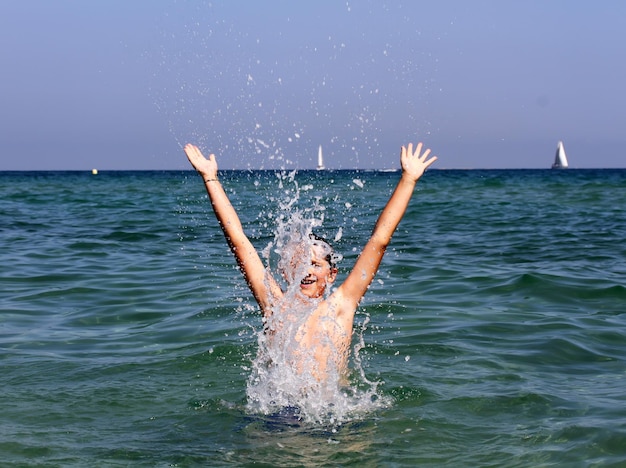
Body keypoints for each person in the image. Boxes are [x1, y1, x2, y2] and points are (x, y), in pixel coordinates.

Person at [184, 142, 437, 387]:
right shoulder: (275, 306)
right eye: (299, 263)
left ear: (331, 274)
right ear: (284, 271)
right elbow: (239, 242)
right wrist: (210, 179)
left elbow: (379, 240)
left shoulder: (342, 306)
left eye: (315, 264)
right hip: (280, 416)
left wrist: (408, 180)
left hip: (330, 414)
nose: (306, 270)